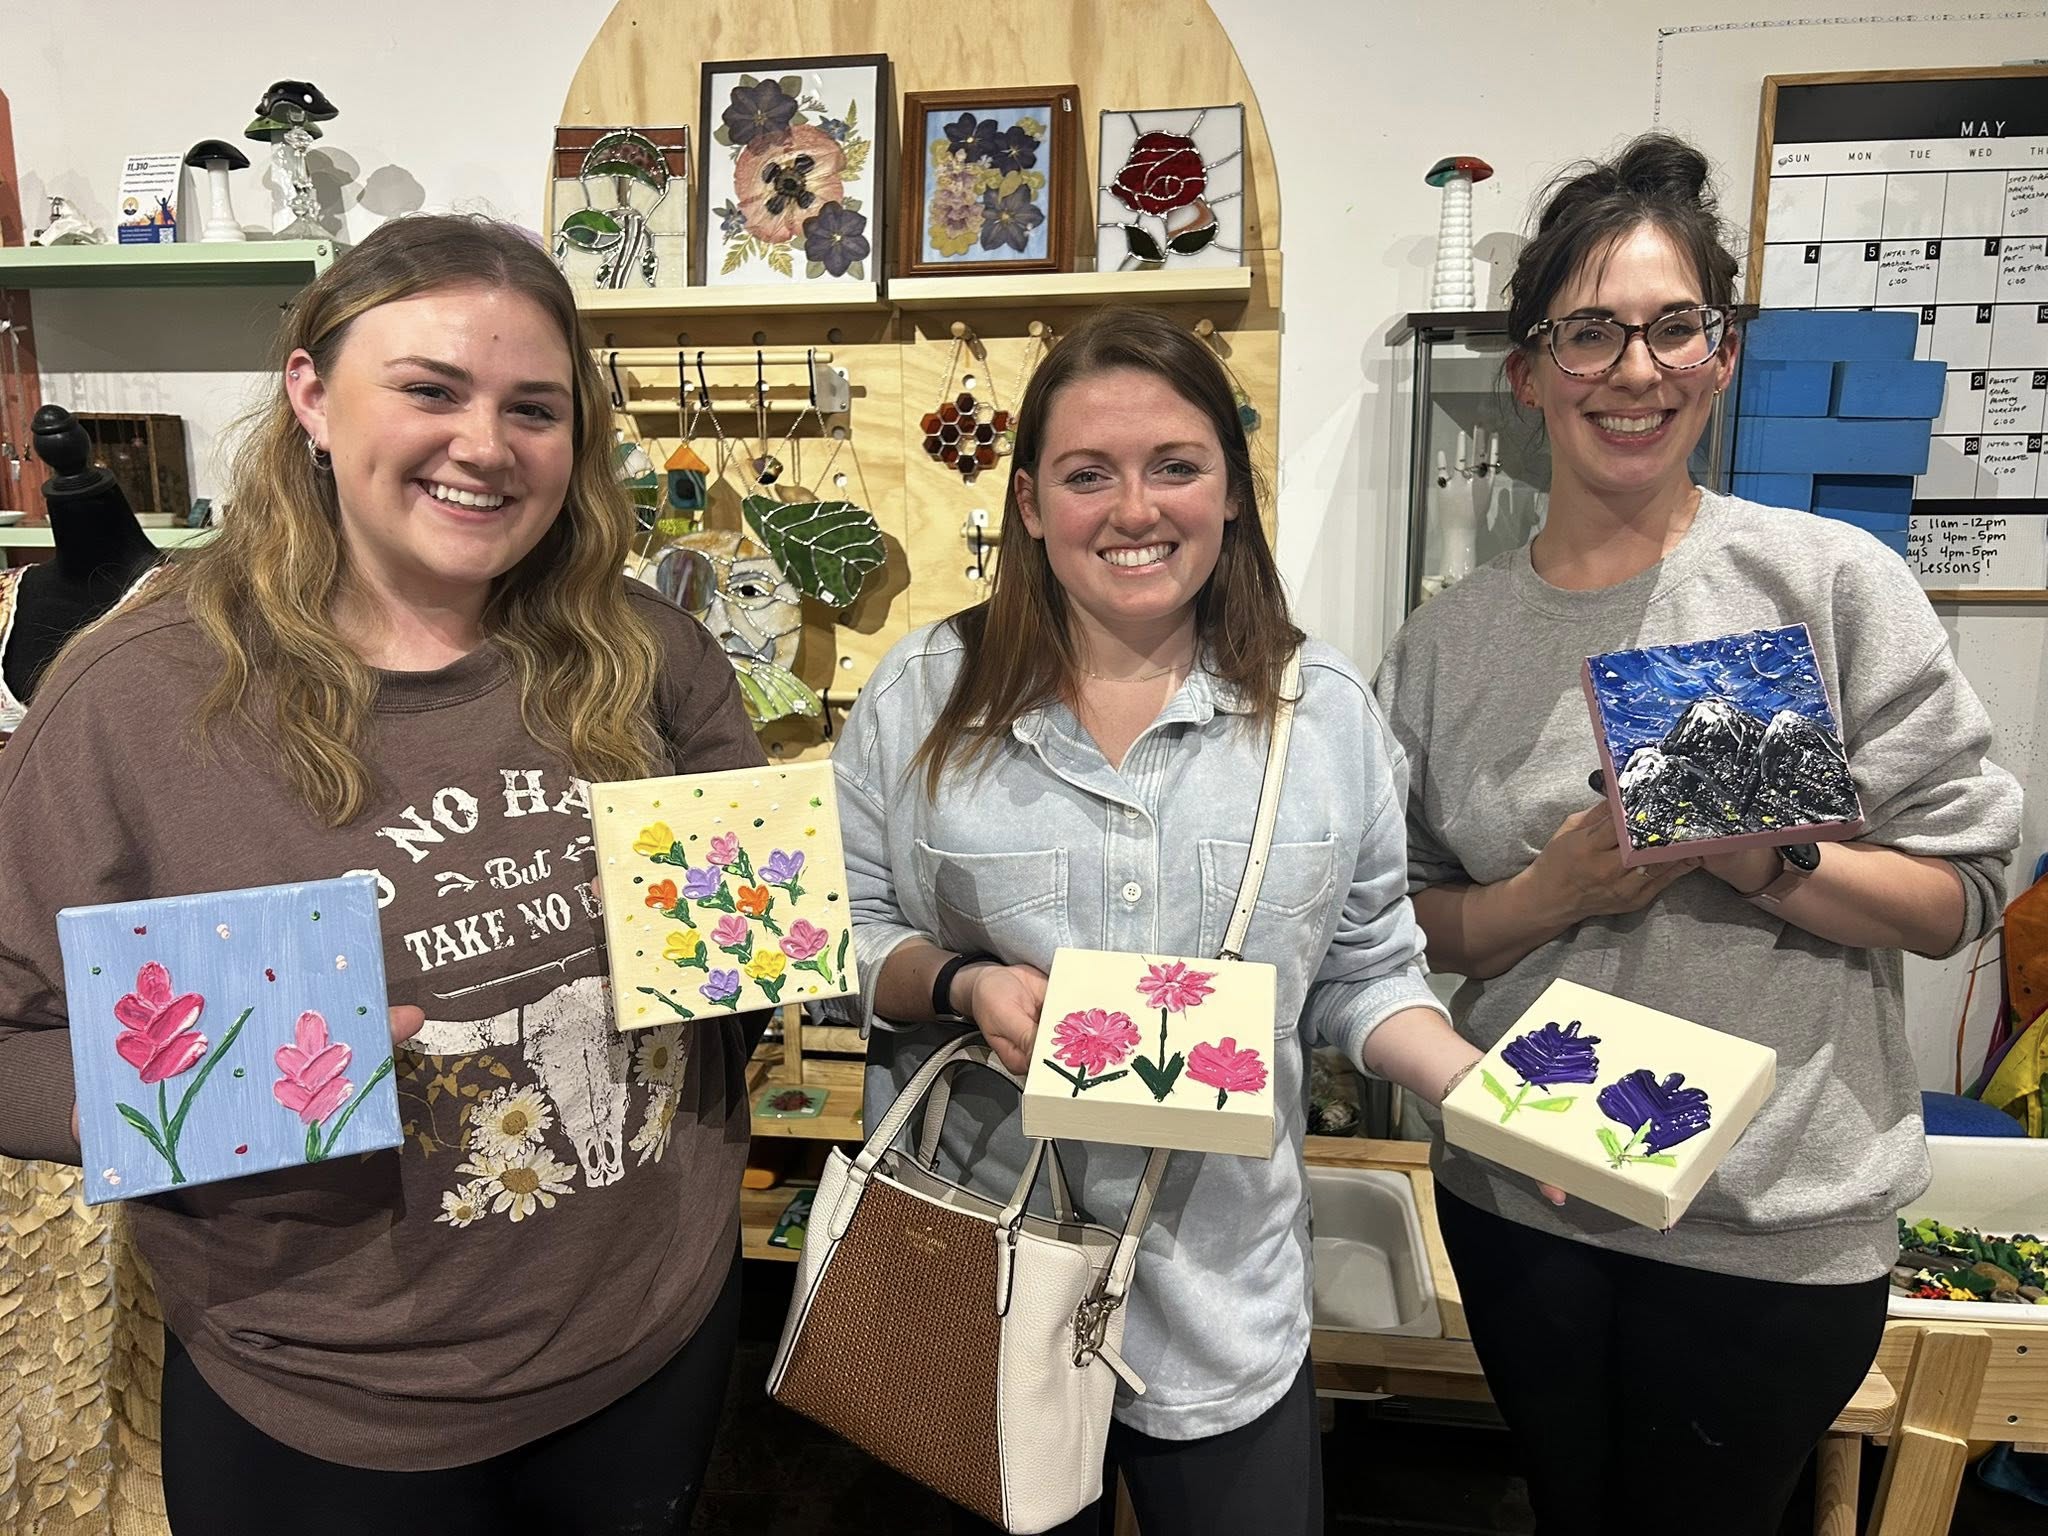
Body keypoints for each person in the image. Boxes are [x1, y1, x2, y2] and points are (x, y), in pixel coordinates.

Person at [0, 215, 764, 1534]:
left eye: (535, 406)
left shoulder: (651, 656)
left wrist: (783, 938)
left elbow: (739, 983)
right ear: (310, 392)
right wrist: (215, 1082)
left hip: (648, 1341)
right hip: (327, 1403)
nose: (486, 444)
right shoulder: (135, 702)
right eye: (429, 389)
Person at [1374, 134, 2022, 1534]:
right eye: (1591, 333)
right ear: (1530, 369)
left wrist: (1766, 856)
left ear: (1720, 357)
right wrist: (1542, 895)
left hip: (1775, 1221)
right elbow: (1397, 913)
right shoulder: (1448, 640)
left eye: (1674, 328)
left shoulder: (1828, 581)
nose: (1635, 368)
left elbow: (1966, 889)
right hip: (1527, 1197)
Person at [835, 307, 1492, 1536]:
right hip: (977, 1274)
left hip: (1223, 1304)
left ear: (1231, 491)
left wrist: (1485, 1094)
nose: (1133, 509)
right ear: (1029, 502)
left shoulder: (1325, 714)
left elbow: (1364, 970)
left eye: (1174, 467)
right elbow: (843, 938)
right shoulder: (921, 696)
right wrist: (964, 983)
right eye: (1088, 474)